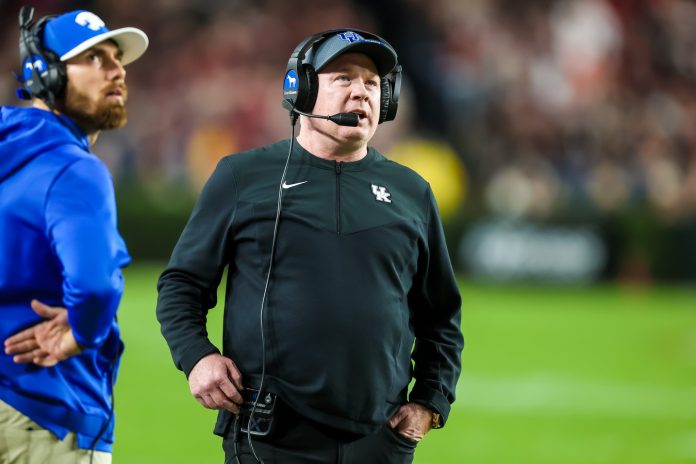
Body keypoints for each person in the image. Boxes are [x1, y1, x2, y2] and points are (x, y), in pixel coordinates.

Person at [156, 29, 463, 464]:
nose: (361, 92)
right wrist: (197, 357)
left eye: (373, 84)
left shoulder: (412, 191)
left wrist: (431, 402)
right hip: (269, 435)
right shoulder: (242, 176)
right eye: (344, 78)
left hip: (380, 440)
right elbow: (182, 285)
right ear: (299, 88)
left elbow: (441, 316)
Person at [0, 7, 148, 463]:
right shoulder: (73, 168)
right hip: (45, 412)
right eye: (95, 59)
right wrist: (80, 332)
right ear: (43, 73)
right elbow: (95, 285)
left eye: (117, 59)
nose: (117, 70)